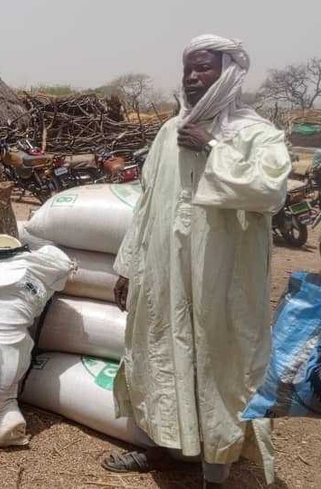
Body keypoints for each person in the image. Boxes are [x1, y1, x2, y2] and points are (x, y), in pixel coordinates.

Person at [103, 35, 291, 488]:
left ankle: (215, 472)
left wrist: (211, 148)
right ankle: (161, 447)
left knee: (218, 366)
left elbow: (271, 192)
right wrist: (127, 267)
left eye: (203, 67)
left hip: (221, 282)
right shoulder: (169, 132)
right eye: (187, 68)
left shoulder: (255, 133)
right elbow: (147, 204)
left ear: (228, 72)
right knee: (161, 356)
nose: (191, 77)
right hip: (165, 274)